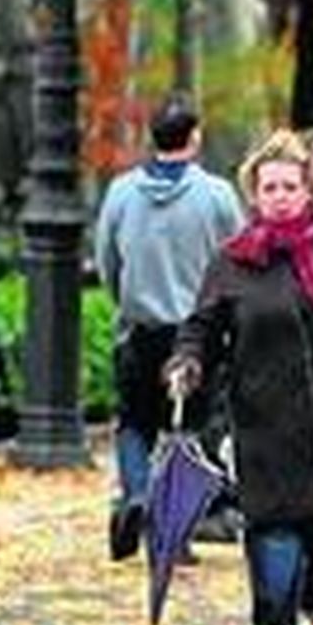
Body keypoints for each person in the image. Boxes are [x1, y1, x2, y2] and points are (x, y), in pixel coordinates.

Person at [165, 127, 313, 625]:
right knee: (271, 529)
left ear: (309, 189)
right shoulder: (233, 262)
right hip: (261, 418)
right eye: (270, 188)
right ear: (254, 195)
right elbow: (200, 326)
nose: (281, 196)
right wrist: (186, 364)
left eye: (290, 185)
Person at [93, 92, 244, 562]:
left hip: (141, 328)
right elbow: (238, 260)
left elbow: (106, 261)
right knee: (195, 430)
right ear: (194, 138)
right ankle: (174, 530)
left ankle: (137, 493)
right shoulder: (217, 196)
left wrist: (128, 301)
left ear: (151, 137)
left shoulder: (121, 193)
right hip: (199, 335)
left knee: (134, 421)